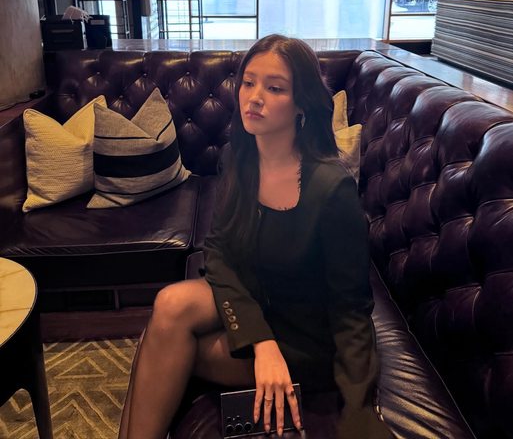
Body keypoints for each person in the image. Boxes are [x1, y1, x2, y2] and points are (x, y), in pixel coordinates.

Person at [118, 34, 393, 439]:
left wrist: (359, 408)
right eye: (248, 82)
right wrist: (261, 341)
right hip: (260, 308)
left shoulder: (330, 188)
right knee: (170, 306)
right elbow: (218, 251)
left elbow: (351, 308)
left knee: (161, 341)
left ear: (301, 104)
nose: (255, 98)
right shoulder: (239, 158)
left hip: (306, 338)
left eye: (275, 88)